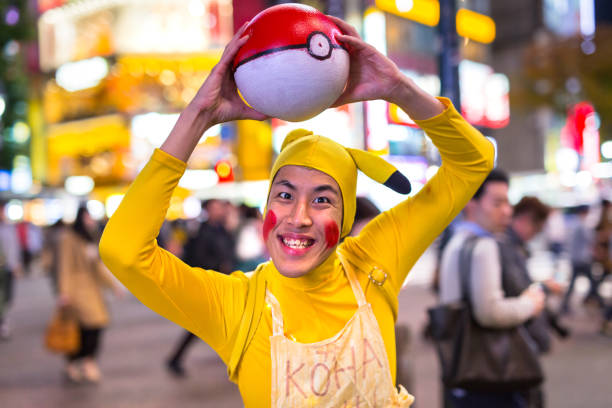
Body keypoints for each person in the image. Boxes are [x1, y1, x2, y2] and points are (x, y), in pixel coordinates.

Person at [99, 15, 494, 407]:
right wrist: (199, 116)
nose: (299, 217)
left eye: (323, 199)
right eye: (285, 195)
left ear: (345, 217)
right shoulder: (237, 306)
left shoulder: (375, 259)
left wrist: (398, 89)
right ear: (265, 208)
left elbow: (473, 162)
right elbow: (123, 250)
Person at [438, 170, 546, 408]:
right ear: (471, 203)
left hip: (461, 371)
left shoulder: (456, 240)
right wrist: (530, 303)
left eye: (507, 202)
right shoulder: (484, 245)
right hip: (489, 371)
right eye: (497, 203)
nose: (507, 211)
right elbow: (490, 312)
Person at [498, 196, 568, 408]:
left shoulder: (506, 243)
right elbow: (519, 291)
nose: (504, 213)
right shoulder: (504, 245)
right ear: (526, 219)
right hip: (516, 341)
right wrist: (544, 288)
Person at [166, 199, 236, 377]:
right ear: (208, 210)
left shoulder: (222, 229)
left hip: (223, 283)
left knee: (220, 323)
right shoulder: (201, 232)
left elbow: (229, 251)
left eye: (221, 207)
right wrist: (217, 267)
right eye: (216, 207)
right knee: (201, 326)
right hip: (208, 284)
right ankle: (175, 358)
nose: (220, 210)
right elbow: (197, 258)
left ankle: (235, 356)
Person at [58, 206, 122, 383]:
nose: (90, 220)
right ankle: (76, 363)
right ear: (81, 218)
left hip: (93, 290)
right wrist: (64, 292)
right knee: (82, 328)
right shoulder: (68, 238)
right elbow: (65, 266)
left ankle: (86, 362)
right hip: (77, 290)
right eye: (87, 217)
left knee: (95, 325)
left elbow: (98, 266)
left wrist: (113, 286)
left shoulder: (90, 237)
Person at [560, 204, 602, 314]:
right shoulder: (581, 225)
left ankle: (567, 305)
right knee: (593, 281)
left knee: (579, 283)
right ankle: (596, 301)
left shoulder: (573, 224)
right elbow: (590, 239)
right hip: (582, 259)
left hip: (575, 258)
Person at [0, 200, 23, 340]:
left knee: (8, 296)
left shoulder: (8, 227)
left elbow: (14, 247)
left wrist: (16, 264)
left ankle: (3, 321)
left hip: (7, 268)